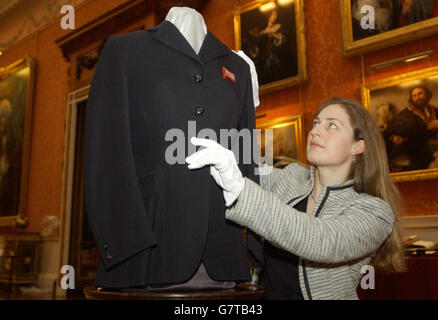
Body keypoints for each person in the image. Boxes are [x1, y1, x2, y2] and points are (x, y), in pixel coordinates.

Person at [186, 97, 406, 300]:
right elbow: (242, 166)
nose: (315, 131)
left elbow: (322, 240)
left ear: (358, 146)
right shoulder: (289, 178)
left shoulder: (375, 211)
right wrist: (239, 96)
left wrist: (240, 189)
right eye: (316, 123)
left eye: (331, 125)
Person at [386, 86, 438, 171]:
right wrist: (400, 136)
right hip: (419, 153)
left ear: (427, 95)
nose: (418, 97)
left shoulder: (433, 110)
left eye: (420, 94)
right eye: (414, 95)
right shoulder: (406, 114)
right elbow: (399, 127)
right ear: (411, 99)